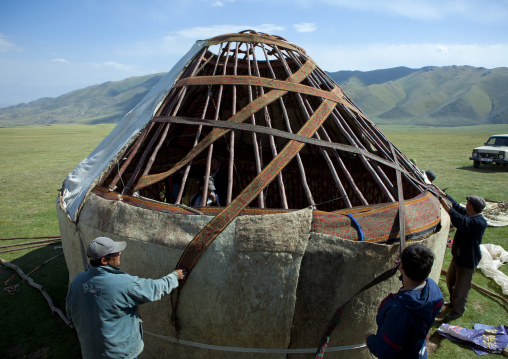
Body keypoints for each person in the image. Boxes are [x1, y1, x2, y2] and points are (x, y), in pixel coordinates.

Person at [66, 236, 186, 359]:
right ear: (103, 260)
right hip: (120, 354)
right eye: (115, 253)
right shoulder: (122, 283)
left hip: (91, 352)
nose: (120, 253)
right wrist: (174, 277)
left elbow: (70, 312)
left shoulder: (77, 281)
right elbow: (154, 289)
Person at [365, 244, 444, 359]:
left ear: (401, 266)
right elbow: (412, 279)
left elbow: (386, 351)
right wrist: (403, 269)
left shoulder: (399, 310)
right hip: (417, 351)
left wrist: (370, 340)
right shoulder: (433, 290)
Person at [437, 191, 487, 320]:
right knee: (450, 280)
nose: (465, 205)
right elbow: (456, 206)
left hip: (468, 261)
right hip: (458, 257)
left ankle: (456, 312)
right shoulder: (469, 214)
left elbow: (459, 220)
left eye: (468, 204)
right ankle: (453, 303)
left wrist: (443, 203)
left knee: (461, 289)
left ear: (471, 207)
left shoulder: (479, 222)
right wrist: (444, 194)